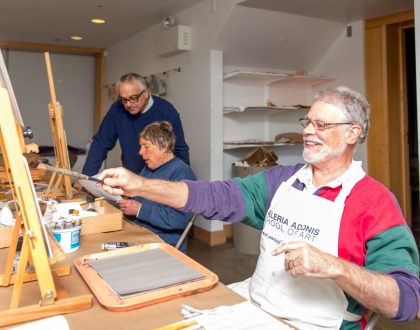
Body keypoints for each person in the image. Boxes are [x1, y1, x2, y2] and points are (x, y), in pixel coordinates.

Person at [98, 86, 420, 330]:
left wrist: (334, 267)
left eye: (321, 125)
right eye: (306, 122)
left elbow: (404, 300)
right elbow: (215, 196)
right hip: (254, 306)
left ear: (353, 133)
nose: (307, 131)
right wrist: (140, 185)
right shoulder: (281, 180)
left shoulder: (374, 202)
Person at [81, 73, 190, 177]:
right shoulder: (117, 110)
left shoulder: (166, 112)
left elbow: (180, 152)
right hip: (131, 178)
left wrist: (179, 183)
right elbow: (100, 144)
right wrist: (86, 177)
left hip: (160, 180)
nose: (128, 104)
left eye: (133, 98)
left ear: (146, 93)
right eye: (124, 99)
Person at [117, 121, 196, 253]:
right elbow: (139, 201)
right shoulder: (148, 168)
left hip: (162, 242)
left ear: (164, 146)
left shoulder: (182, 172)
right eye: (140, 146)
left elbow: (178, 219)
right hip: (139, 232)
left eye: (146, 146)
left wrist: (139, 209)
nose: (140, 152)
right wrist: (125, 196)